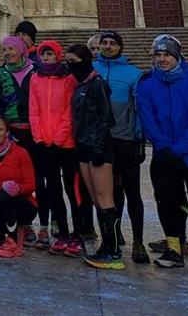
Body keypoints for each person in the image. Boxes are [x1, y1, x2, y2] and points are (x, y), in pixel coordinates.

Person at [137, 34, 188, 274]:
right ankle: (174, 248)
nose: (162, 59)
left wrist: (179, 148)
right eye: (158, 55)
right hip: (163, 153)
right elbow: (147, 118)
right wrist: (162, 146)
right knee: (167, 201)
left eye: (167, 55)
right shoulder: (147, 83)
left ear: (177, 57)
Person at [93, 30, 148, 265]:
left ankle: (138, 241)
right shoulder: (90, 70)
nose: (107, 46)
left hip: (125, 139)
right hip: (99, 140)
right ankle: (111, 236)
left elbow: (139, 108)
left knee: (132, 190)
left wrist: (139, 138)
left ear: (120, 47)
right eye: (103, 43)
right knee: (105, 192)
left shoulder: (134, 74)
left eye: (112, 43)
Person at [65, 43, 122, 269]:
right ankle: (105, 246)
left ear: (87, 61)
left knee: (105, 198)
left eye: (74, 62)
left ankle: (114, 249)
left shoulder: (98, 84)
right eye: (67, 62)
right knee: (95, 198)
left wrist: (99, 147)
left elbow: (107, 118)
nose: (70, 67)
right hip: (84, 147)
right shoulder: (80, 85)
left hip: (99, 148)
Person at [29, 39, 83, 254]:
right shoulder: (35, 78)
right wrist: (39, 137)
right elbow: (34, 110)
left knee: (72, 189)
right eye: (43, 54)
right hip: (44, 143)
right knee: (53, 190)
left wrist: (59, 138)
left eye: (50, 54)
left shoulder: (70, 78)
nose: (46, 58)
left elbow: (70, 112)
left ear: (58, 55)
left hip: (66, 143)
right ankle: (62, 232)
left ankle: (78, 233)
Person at [0, 114, 37, 258]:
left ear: (7, 133)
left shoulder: (21, 153)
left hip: (23, 203)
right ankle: (7, 232)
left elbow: (31, 185)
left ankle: (13, 241)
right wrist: (3, 185)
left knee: (3, 194)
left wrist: (18, 189)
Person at [0, 35, 34, 146]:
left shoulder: (35, 70)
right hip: (11, 131)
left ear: (20, 50)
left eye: (11, 48)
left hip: (35, 130)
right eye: (4, 49)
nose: (7, 52)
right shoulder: (0, 72)